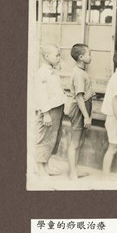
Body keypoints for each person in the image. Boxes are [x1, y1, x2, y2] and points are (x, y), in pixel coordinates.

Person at [33, 43, 65, 176]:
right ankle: (39, 168)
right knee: (44, 138)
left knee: (52, 138)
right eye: (57, 55)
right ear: (46, 56)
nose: (59, 58)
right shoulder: (42, 73)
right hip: (49, 110)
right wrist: (46, 113)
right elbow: (41, 94)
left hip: (57, 108)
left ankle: (46, 165)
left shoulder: (53, 70)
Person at [63, 43, 93, 179]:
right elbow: (79, 97)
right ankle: (72, 173)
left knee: (80, 142)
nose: (90, 56)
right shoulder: (78, 74)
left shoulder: (82, 72)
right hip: (80, 109)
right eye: (89, 54)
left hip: (85, 107)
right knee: (75, 143)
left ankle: (75, 169)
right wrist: (86, 116)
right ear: (81, 57)